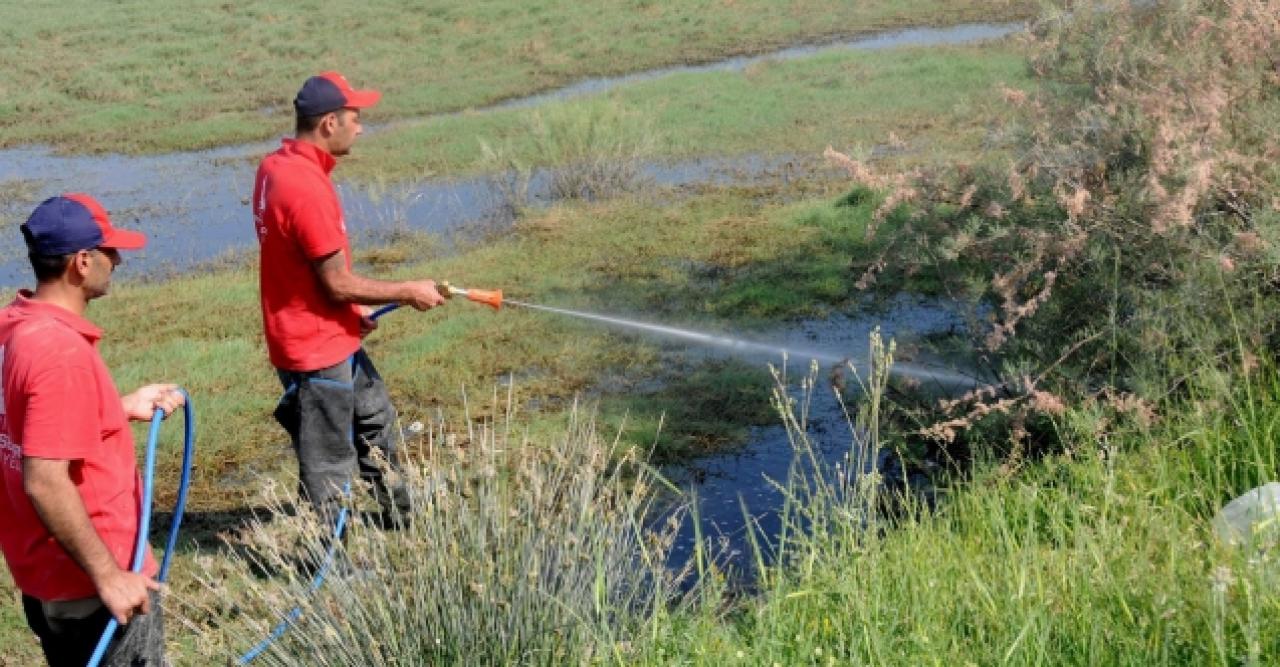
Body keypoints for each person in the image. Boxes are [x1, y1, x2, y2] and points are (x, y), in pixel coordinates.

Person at [252, 71, 445, 527]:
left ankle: (402, 516)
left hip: (329, 332)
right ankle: (327, 557)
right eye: (355, 118)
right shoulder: (304, 187)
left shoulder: (275, 166)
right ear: (328, 124)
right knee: (328, 460)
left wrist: (350, 309)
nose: (360, 128)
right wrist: (407, 290)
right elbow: (336, 282)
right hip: (313, 348)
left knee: (376, 421)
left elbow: (305, 267)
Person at [0, 194, 186, 666]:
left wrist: (117, 409)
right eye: (110, 251)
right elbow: (44, 480)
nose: (118, 260)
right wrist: (109, 577)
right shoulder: (59, 352)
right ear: (82, 262)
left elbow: (25, 423)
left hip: (46, 577)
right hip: (90, 588)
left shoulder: (15, 326)